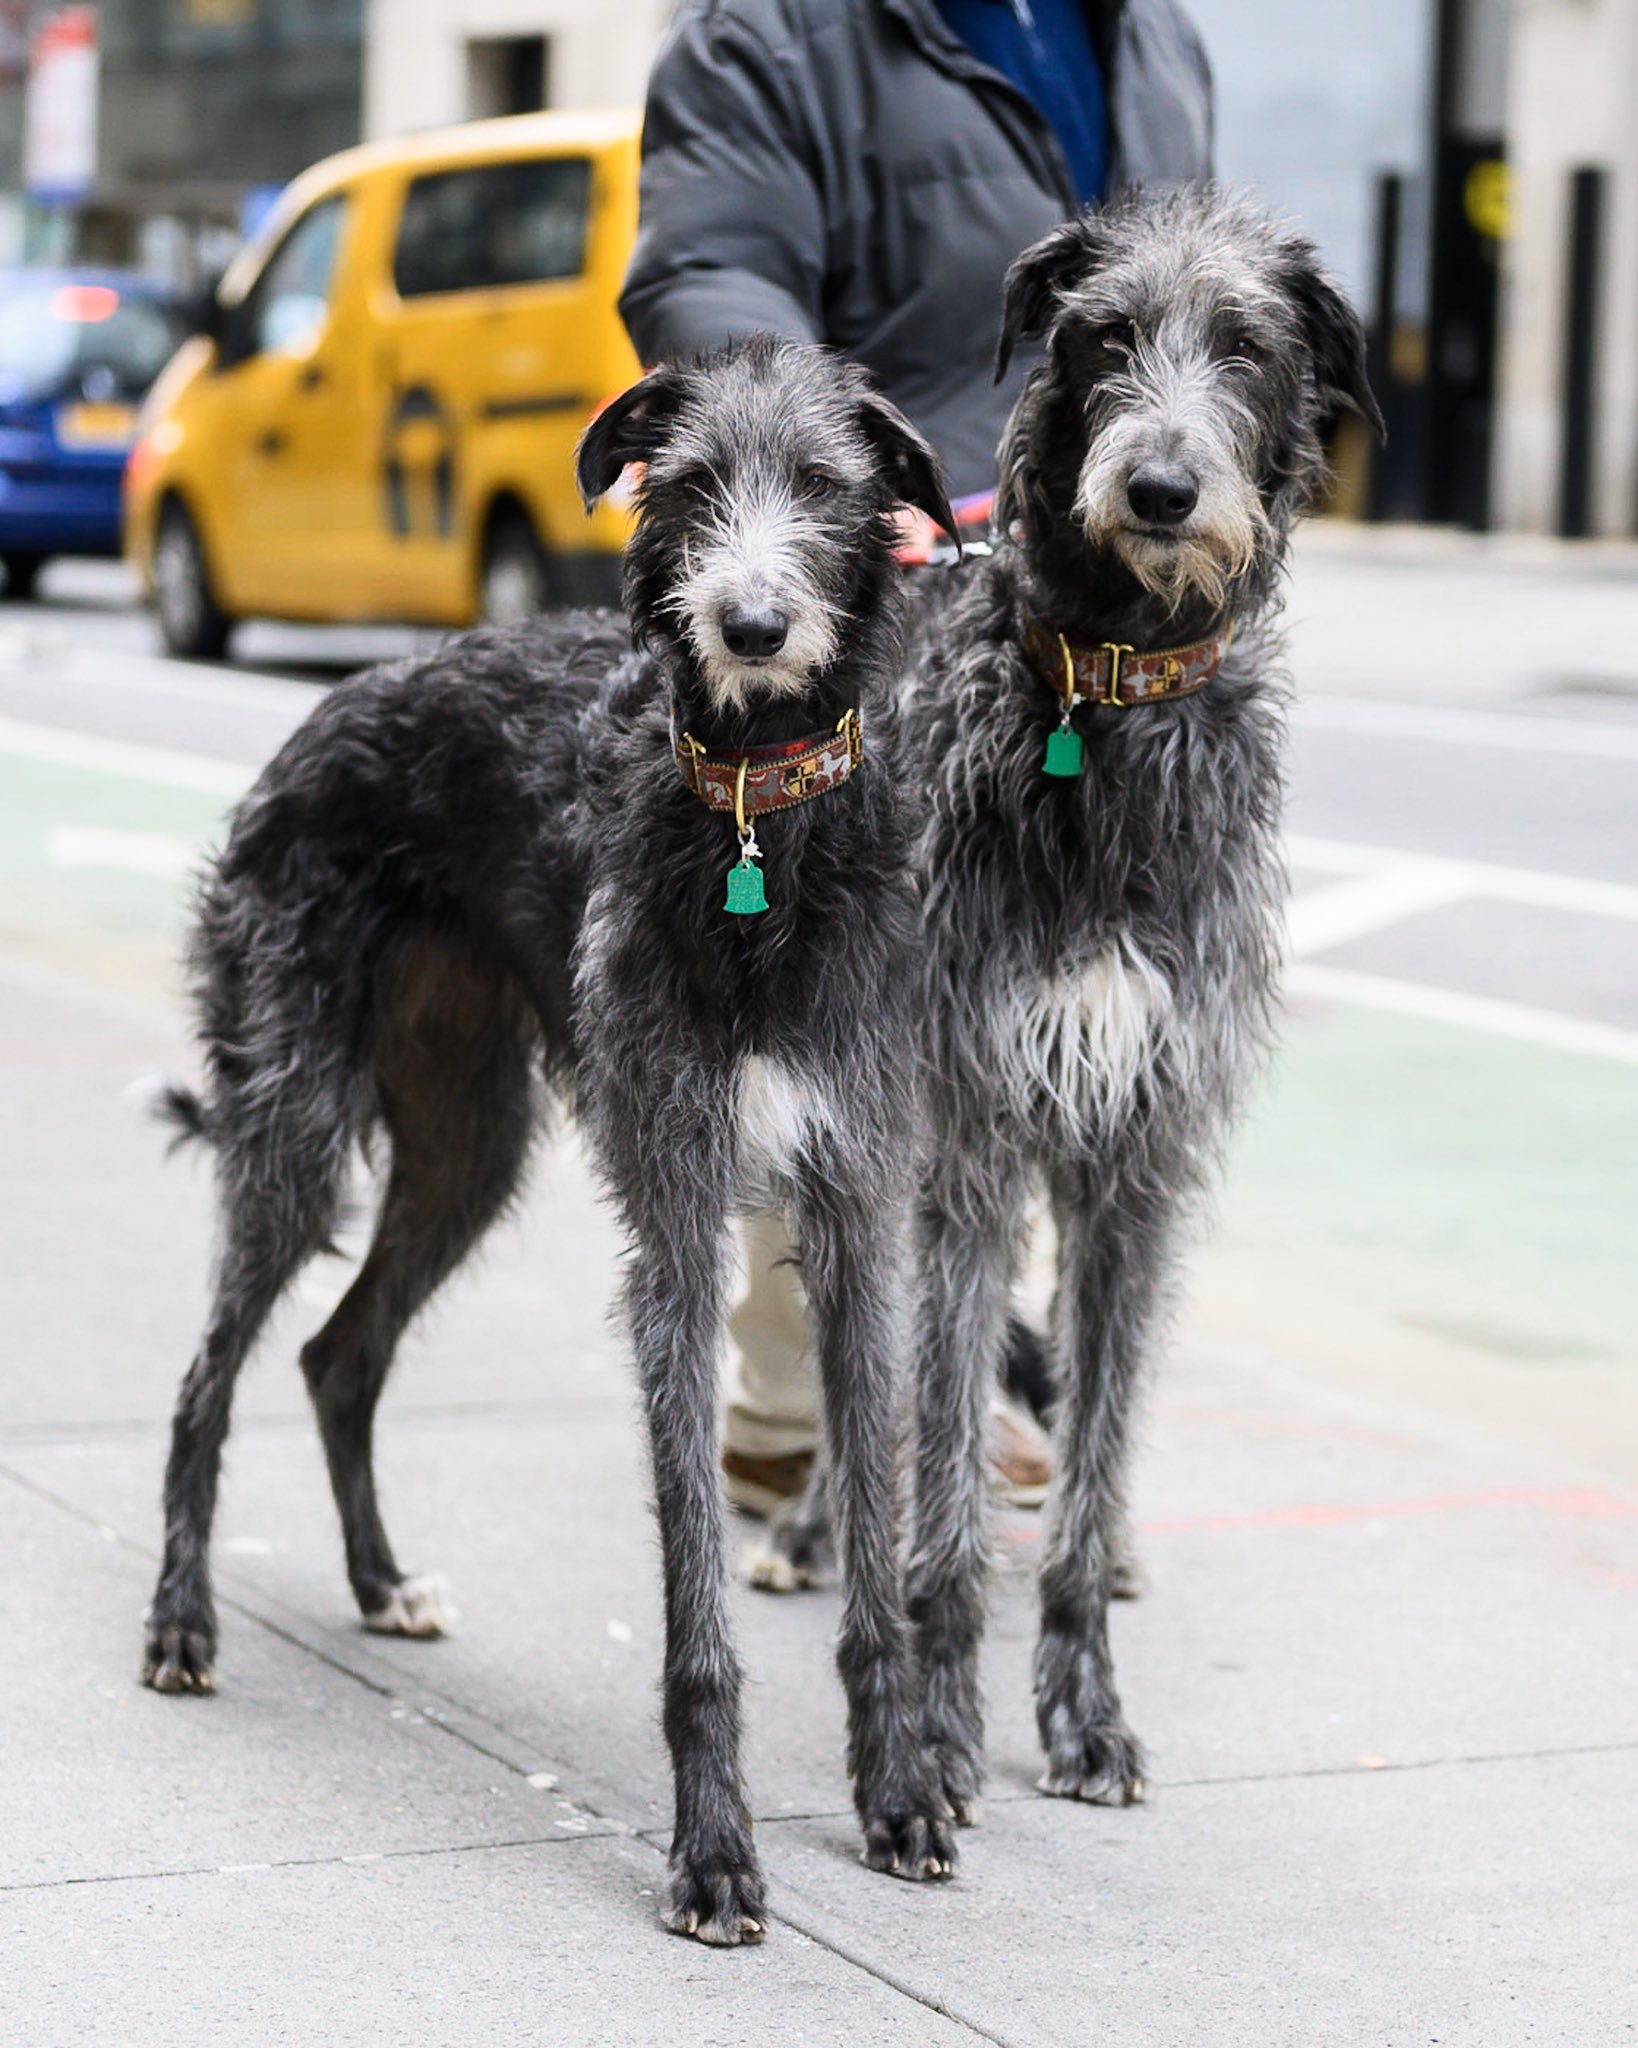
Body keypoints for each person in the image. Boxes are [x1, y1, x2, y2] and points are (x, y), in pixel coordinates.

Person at [620, 0, 1215, 1518]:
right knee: (824, 983)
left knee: (1033, 1018)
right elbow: (713, 267)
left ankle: (962, 1366)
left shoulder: (1149, 36)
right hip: (885, 589)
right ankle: (806, 1386)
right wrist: (822, 476)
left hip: (1085, 621)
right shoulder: (770, 35)